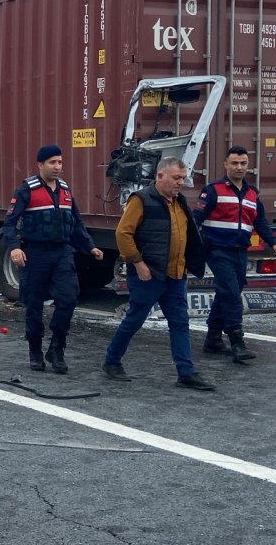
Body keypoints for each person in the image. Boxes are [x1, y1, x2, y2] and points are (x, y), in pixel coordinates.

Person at [102, 157, 213, 390]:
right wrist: (138, 263)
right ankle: (112, 361)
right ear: (160, 176)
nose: (180, 182)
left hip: (175, 276)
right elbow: (123, 234)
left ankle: (186, 372)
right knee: (134, 320)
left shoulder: (180, 203)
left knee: (180, 323)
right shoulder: (141, 200)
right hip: (148, 275)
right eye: (176, 178)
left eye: (182, 178)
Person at [1, 144, 103, 374]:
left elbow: (75, 222)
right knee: (34, 304)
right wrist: (15, 248)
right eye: (52, 163)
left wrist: (90, 246)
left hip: (62, 252)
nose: (57, 167)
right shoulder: (27, 189)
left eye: (59, 162)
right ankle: (35, 350)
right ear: (40, 165)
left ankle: (57, 348)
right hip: (35, 253)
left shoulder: (65, 190)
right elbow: (9, 223)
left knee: (68, 299)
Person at [194, 146, 276, 362]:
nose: (239, 167)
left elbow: (259, 221)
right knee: (232, 294)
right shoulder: (213, 190)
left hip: (239, 251)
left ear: (248, 165)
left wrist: (274, 242)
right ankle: (237, 342)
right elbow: (195, 218)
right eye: (234, 163)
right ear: (225, 164)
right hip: (216, 249)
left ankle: (213, 339)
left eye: (243, 163)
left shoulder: (252, 193)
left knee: (226, 293)